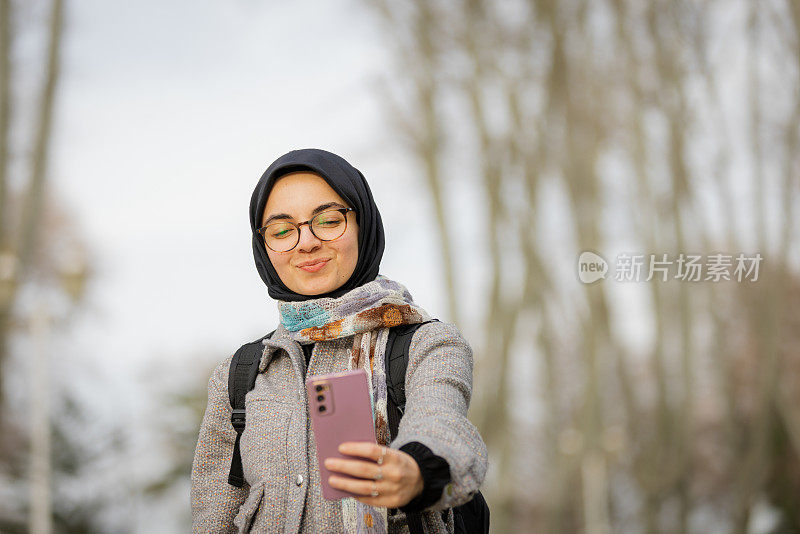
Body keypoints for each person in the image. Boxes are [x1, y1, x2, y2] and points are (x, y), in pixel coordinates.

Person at [190, 148, 487, 533]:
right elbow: (213, 517)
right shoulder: (238, 376)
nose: (306, 242)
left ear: (364, 224)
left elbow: (442, 422)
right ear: (263, 249)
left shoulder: (427, 344)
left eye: (328, 221)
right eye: (282, 231)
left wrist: (416, 471)